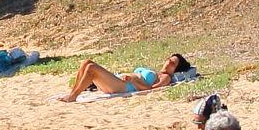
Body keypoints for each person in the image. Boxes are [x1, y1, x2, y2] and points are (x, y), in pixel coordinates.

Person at [58, 53, 192, 102]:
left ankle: (73, 96)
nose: (168, 62)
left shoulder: (166, 77)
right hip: (119, 80)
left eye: (173, 63)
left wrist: (134, 80)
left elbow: (151, 89)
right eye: (169, 59)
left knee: (91, 68)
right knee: (86, 62)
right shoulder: (155, 71)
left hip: (124, 86)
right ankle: (72, 93)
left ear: (175, 69)